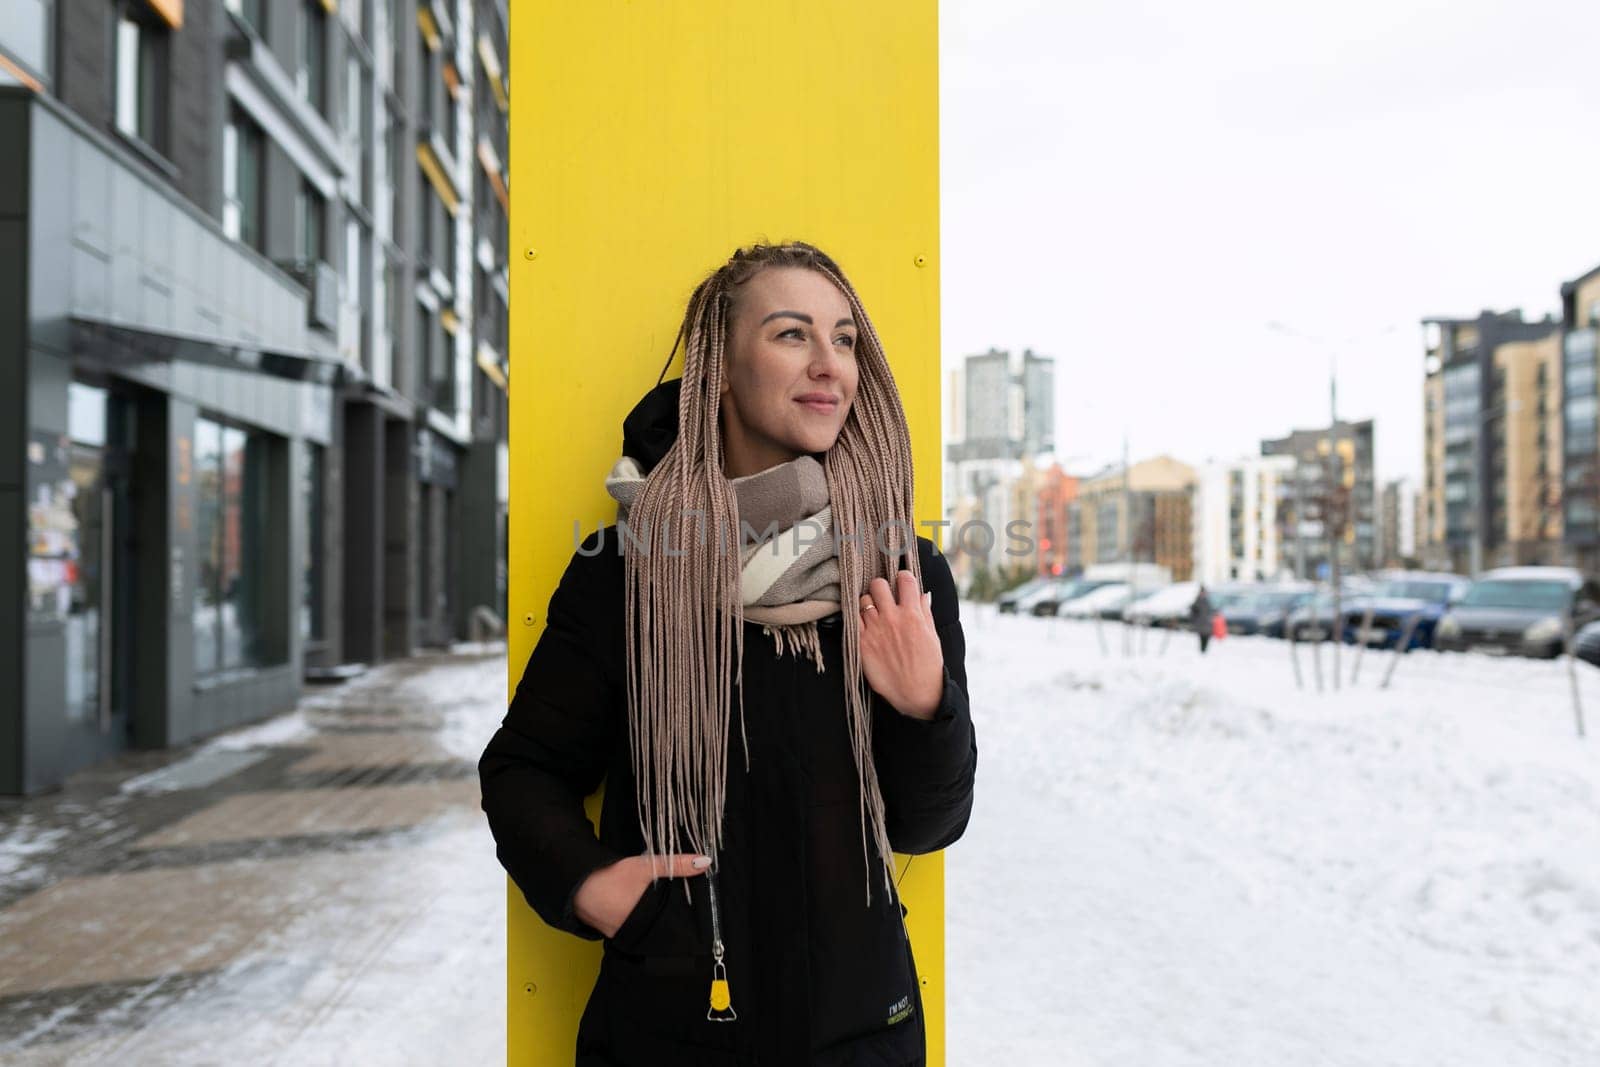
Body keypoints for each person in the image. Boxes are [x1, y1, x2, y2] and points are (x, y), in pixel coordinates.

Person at [478, 242, 977, 1066]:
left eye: (846, 339)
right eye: (792, 334)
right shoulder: (629, 572)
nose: (830, 365)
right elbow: (523, 768)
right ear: (718, 369)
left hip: (856, 1041)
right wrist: (596, 890)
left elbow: (930, 821)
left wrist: (926, 703)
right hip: (667, 1037)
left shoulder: (897, 573)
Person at [1191, 585, 1214, 654]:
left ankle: (1204, 650)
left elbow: (1210, 610)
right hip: (1200, 623)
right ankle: (1202, 651)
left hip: (1207, 622)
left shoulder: (1207, 600)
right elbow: (1193, 612)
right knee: (1202, 636)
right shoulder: (1197, 601)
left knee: (1207, 636)